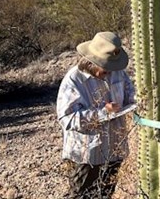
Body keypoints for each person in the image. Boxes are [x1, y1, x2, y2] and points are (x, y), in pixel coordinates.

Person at [56, 31, 136, 199]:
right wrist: (102, 113)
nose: (110, 71)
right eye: (105, 67)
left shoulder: (117, 72)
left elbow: (131, 95)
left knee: (105, 194)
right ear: (91, 61)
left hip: (114, 148)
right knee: (82, 195)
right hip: (87, 154)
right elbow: (66, 118)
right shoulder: (74, 80)